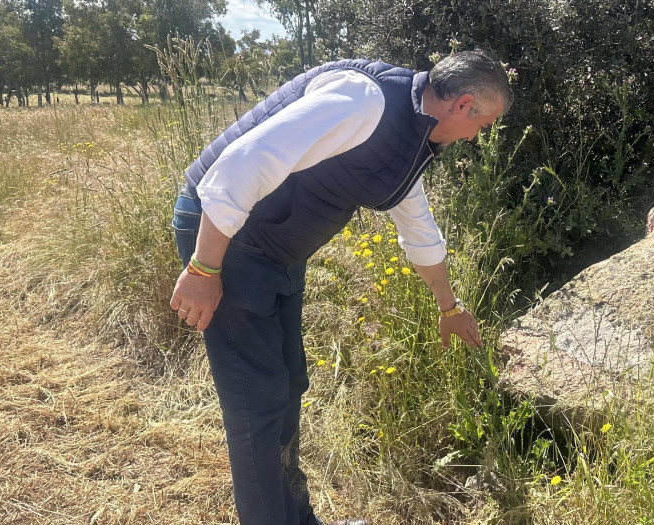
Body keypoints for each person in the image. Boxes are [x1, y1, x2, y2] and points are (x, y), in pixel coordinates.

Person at [168, 50, 511, 525]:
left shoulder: (409, 136)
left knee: (288, 385)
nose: (478, 137)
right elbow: (243, 164)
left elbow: (419, 230)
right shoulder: (364, 100)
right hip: (227, 239)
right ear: (464, 104)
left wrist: (449, 306)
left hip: (273, 249)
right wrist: (205, 269)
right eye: (484, 124)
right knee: (258, 402)